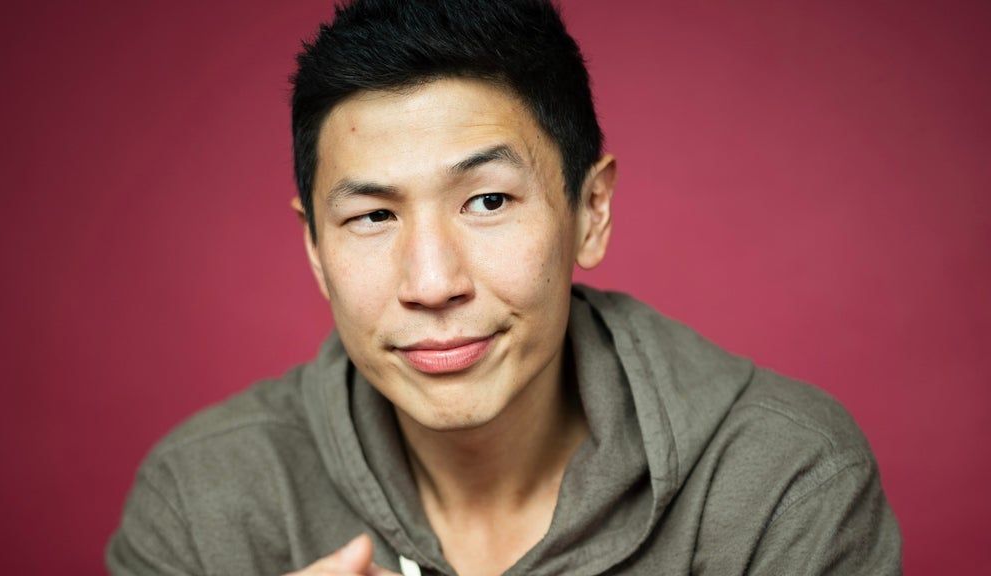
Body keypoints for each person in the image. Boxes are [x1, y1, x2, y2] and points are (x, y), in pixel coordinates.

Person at [106, 1, 902, 574]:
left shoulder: (783, 481)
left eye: (488, 201)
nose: (432, 283)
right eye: (373, 216)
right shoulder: (202, 502)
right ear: (315, 248)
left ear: (591, 211)